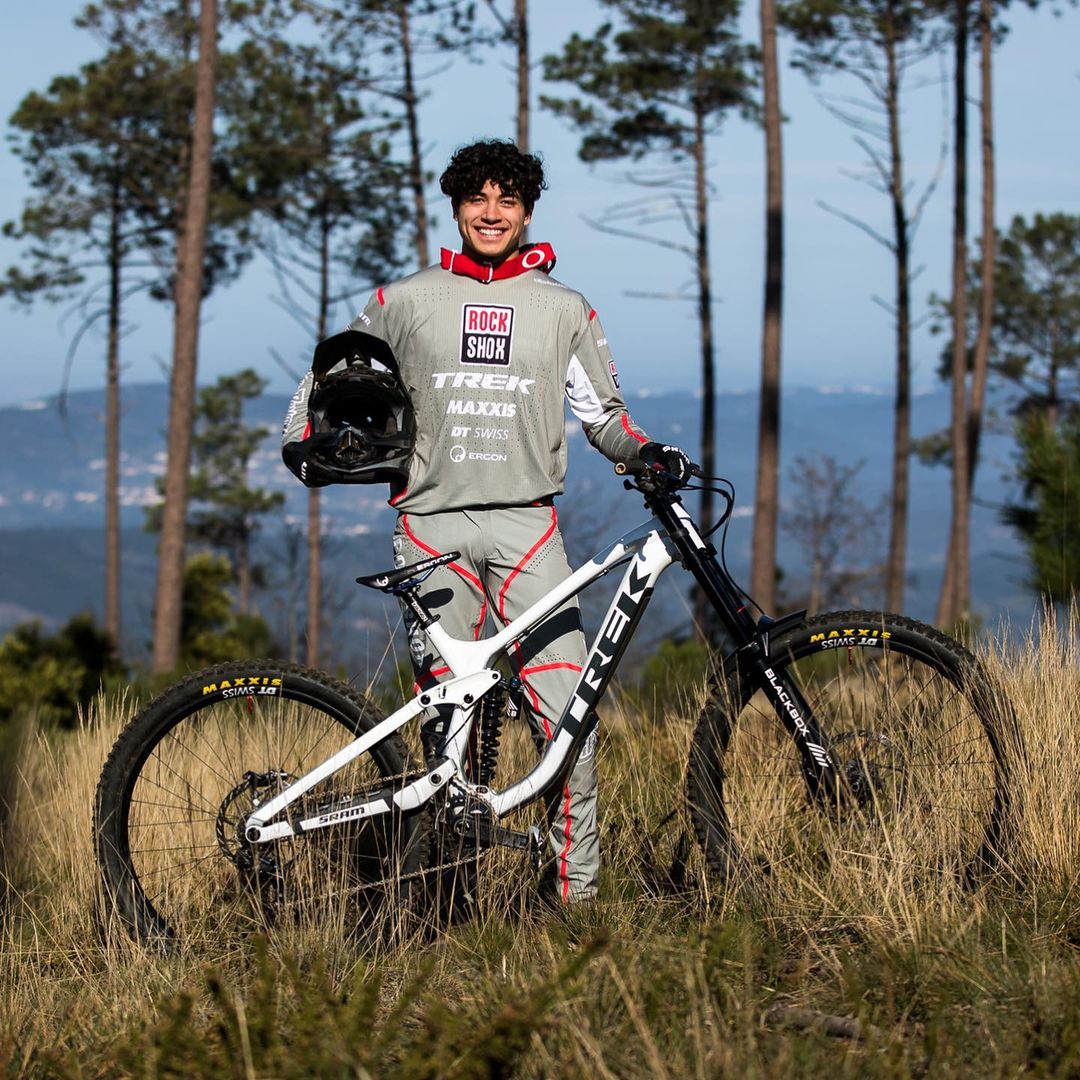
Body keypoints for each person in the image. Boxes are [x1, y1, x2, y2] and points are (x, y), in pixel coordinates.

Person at [282, 138, 691, 904]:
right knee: (449, 732)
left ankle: (575, 900)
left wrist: (643, 452)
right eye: (478, 198)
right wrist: (302, 442)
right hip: (429, 527)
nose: (492, 212)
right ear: (457, 208)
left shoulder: (564, 308)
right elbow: (329, 376)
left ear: (528, 211)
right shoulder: (404, 300)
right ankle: (446, 898)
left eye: (508, 199)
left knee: (568, 718)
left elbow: (603, 416)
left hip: (527, 528)